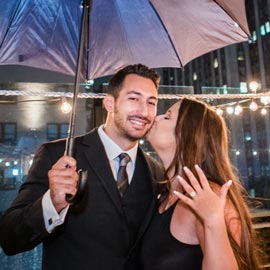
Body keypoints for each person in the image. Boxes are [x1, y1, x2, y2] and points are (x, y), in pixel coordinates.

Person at [0, 64, 164, 270]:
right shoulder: (57, 155)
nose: (144, 111)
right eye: (134, 98)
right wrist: (51, 203)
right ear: (110, 103)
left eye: (152, 102)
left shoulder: (156, 172)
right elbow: (9, 238)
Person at [140, 97, 261, 270]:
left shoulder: (208, 195)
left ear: (186, 135)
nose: (156, 118)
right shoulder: (164, 194)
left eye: (167, 116)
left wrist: (213, 220)